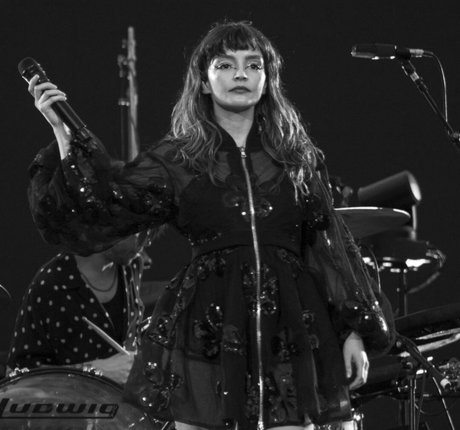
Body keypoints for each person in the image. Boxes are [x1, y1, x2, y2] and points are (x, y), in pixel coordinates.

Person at [26, 20, 394, 430]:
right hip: (208, 331)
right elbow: (103, 206)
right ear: (203, 81)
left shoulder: (297, 158)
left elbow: (329, 247)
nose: (241, 74)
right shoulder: (179, 159)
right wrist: (63, 133)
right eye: (225, 64)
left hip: (289, 331)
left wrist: (353, 332)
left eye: (253, 65)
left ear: (267, 80)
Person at [7, 232, 149, 385]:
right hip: (72, 399)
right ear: (107, 226)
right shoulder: (51, 284)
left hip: (120, 397)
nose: (146, 242)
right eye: (138, 231)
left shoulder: (132, 265)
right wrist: (96, 371)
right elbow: (17, 375)